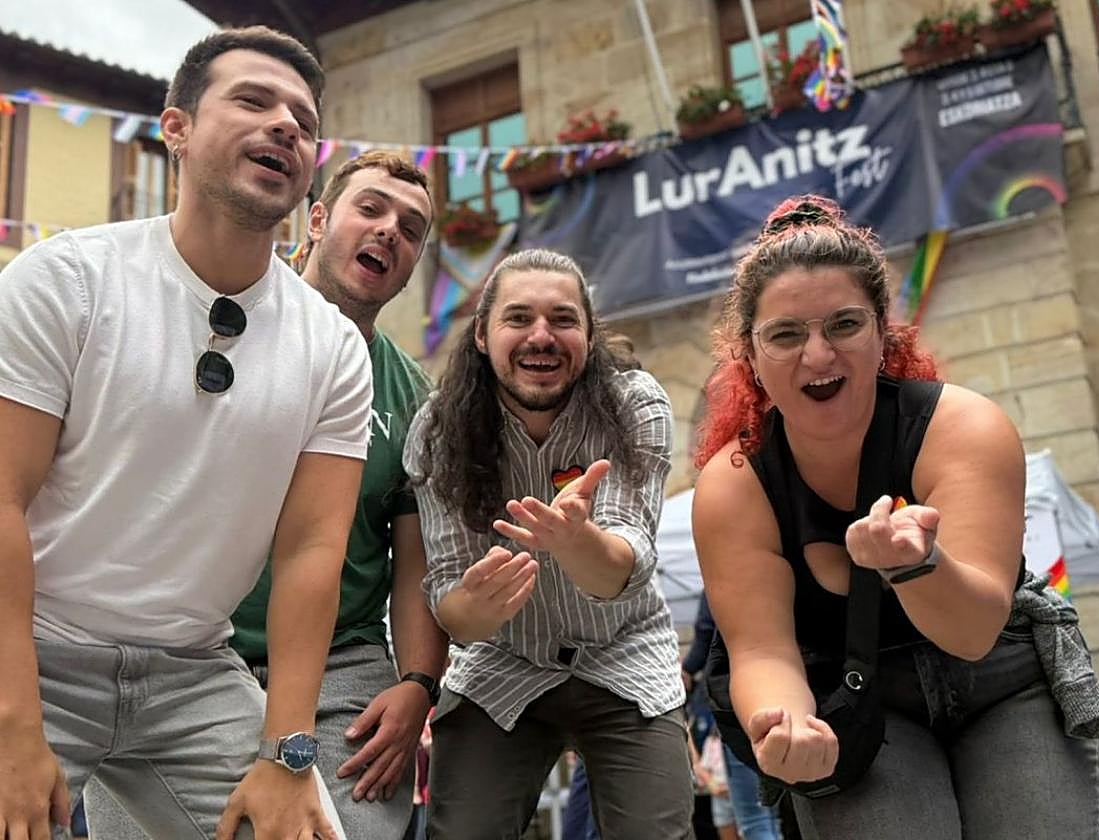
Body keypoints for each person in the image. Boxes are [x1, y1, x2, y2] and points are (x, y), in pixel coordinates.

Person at [0, 26, 370, 839]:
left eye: (304, 122)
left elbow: (312, 548)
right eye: (252, 100)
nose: (285, 126)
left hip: (195, 672)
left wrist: (288, 752)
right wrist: (13, 725)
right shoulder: (64, 281)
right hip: (31, 649)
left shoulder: (334, 345)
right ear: (176, 130)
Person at [691, 194, 1099, 839]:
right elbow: (761, 648)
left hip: (1004, 681)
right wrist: (786, 721)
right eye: (785, 334)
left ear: (883, 331)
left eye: (843, 325)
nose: (818, 355)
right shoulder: (735, 482)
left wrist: (919, 565)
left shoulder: (962, 426)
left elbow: (973, 631)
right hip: (857, 701)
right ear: (747, 354)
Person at [84, 151, 447, 837]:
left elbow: (415, 564)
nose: (389, 231)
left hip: (341, 661)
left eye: (411, 227)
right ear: (315, 218)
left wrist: (418, 686)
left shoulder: (410, 395)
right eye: (370, 208)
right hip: (177, 644)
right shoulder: (213, 325)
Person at [403, 248, 694, 839]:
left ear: (588, 335)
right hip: (503, 661)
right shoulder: (438, 429)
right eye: (519, 319)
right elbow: (451, 603)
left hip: (623, 654)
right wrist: (474, 607)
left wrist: (573, 539)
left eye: (563, 319)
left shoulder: (635, 402)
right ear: (482, 334)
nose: (542, 336)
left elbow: (621, 568)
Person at [683, 594, 782, 840]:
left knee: (754, 817)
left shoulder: (723, 576)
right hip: (787, 692)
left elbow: (707, 631)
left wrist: (688, 668)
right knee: (773, 816)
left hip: (741, 698)